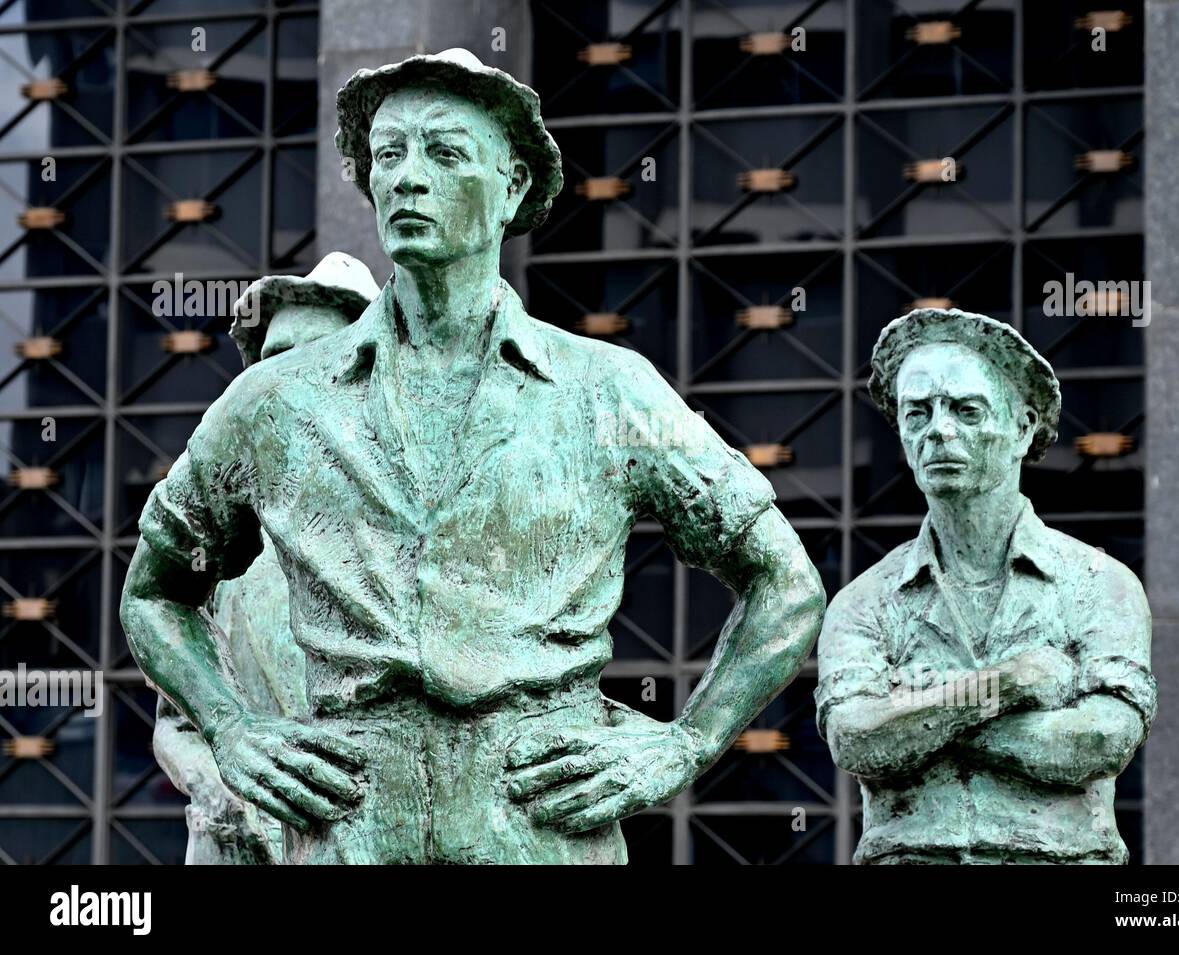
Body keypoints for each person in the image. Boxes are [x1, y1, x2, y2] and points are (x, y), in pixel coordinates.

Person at [121, 48, 825, 864]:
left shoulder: (607, 391)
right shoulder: (276, 401)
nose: (406, 179)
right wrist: (233, 729)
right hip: (351, 828)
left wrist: (684, 744)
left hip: (538, 825)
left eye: (445, 153)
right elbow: (155, 591)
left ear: (513, 186)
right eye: (389, 155)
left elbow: (785, 583)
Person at [815, 307, 1156, 864]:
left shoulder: (1101, 585)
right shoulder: (865, 600)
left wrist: (920, 719)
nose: (939, 431)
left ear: (1023, 428)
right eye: (917, 413)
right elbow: (855, 740)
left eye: (967, 411)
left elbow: (1101, 741)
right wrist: (1009, 685)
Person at [152, 251, 380, 864]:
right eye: (273, 363)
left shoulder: (415, 538)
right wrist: (219, 785)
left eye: (313, 359)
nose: (286, 386)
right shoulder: (221, 560)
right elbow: (176, 725)